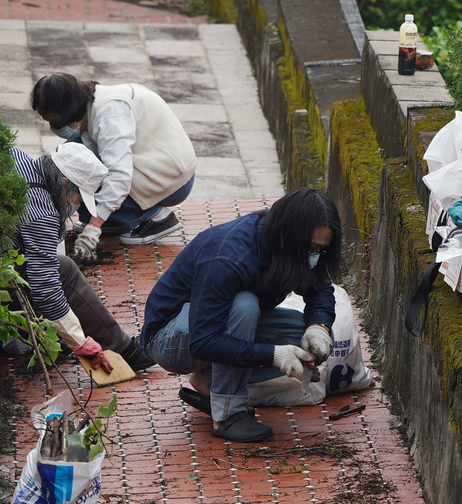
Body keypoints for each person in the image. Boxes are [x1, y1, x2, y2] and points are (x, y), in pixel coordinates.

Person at [139, 188, 342, 442]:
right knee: (244, 306)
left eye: (321, 250)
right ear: (286, 235)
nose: (314, 257)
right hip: (169, 338)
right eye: (311, 248)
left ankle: (209, 380)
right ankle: (227, 415)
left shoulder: (290, 248)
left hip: (212, 327)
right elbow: (202, 341)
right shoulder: (228, 257)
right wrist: (274, 355)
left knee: (307, 338)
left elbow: (320, 289)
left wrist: (319, 327)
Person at [10, 143, 156, 371]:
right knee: (64, 271)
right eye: (78, 197)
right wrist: (80, 342)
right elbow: (45, 290)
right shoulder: (42, 214)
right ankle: (125, 351)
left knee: (54, 268)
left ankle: (110, 343)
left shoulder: (17, 158)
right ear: (65, 182)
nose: (76, 206)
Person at [29, 74, 197, 256]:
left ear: (70, 111)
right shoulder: (89, 104)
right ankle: (114, 220)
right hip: (151, 166)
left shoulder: (110, 114)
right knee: (72, 157)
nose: (53, 127)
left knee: (87, 171)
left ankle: (157, 217)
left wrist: (94, 228)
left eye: (55, 122)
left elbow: (119, 176)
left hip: (172, 179)